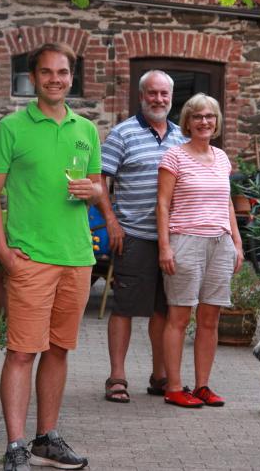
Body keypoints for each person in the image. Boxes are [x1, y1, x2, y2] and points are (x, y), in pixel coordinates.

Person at [0, 42, 102, 471]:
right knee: (20, 352)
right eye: (47, 72)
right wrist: (3, 251)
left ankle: (46, 439)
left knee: (58, 350)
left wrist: (96, 191)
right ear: (33, 79)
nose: (56, 79)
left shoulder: (85, 129)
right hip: (30, 258)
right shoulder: (12, 128)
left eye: (63, 72)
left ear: (72, 78)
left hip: (76, 257)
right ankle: (15, 445)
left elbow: (97, 186)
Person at [98, 70, 187, 403]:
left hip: (174, 239)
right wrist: (111, 221)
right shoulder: (122, 134)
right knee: (125, 307)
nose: (159, 99)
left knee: (164, 310)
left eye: (164, 94)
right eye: (152, 93)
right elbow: (100, 182)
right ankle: (117, 376)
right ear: (141, 96)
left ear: (171, 97)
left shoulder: (182, 136)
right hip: (132, 235)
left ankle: (159, 376)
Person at [157, 92, 244, 408]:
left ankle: (203, 386)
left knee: (210, 319)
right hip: (186, 241)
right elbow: (163, 205)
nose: (204, 121)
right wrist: (165, 246)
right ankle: (175, 387)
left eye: (209, 116)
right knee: (179, 317)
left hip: (220, 244)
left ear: (217, 121)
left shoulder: (221, 158)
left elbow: (227, 204)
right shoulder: (174, 157)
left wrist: (236, 242)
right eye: (197, 116)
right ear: (188, 122)